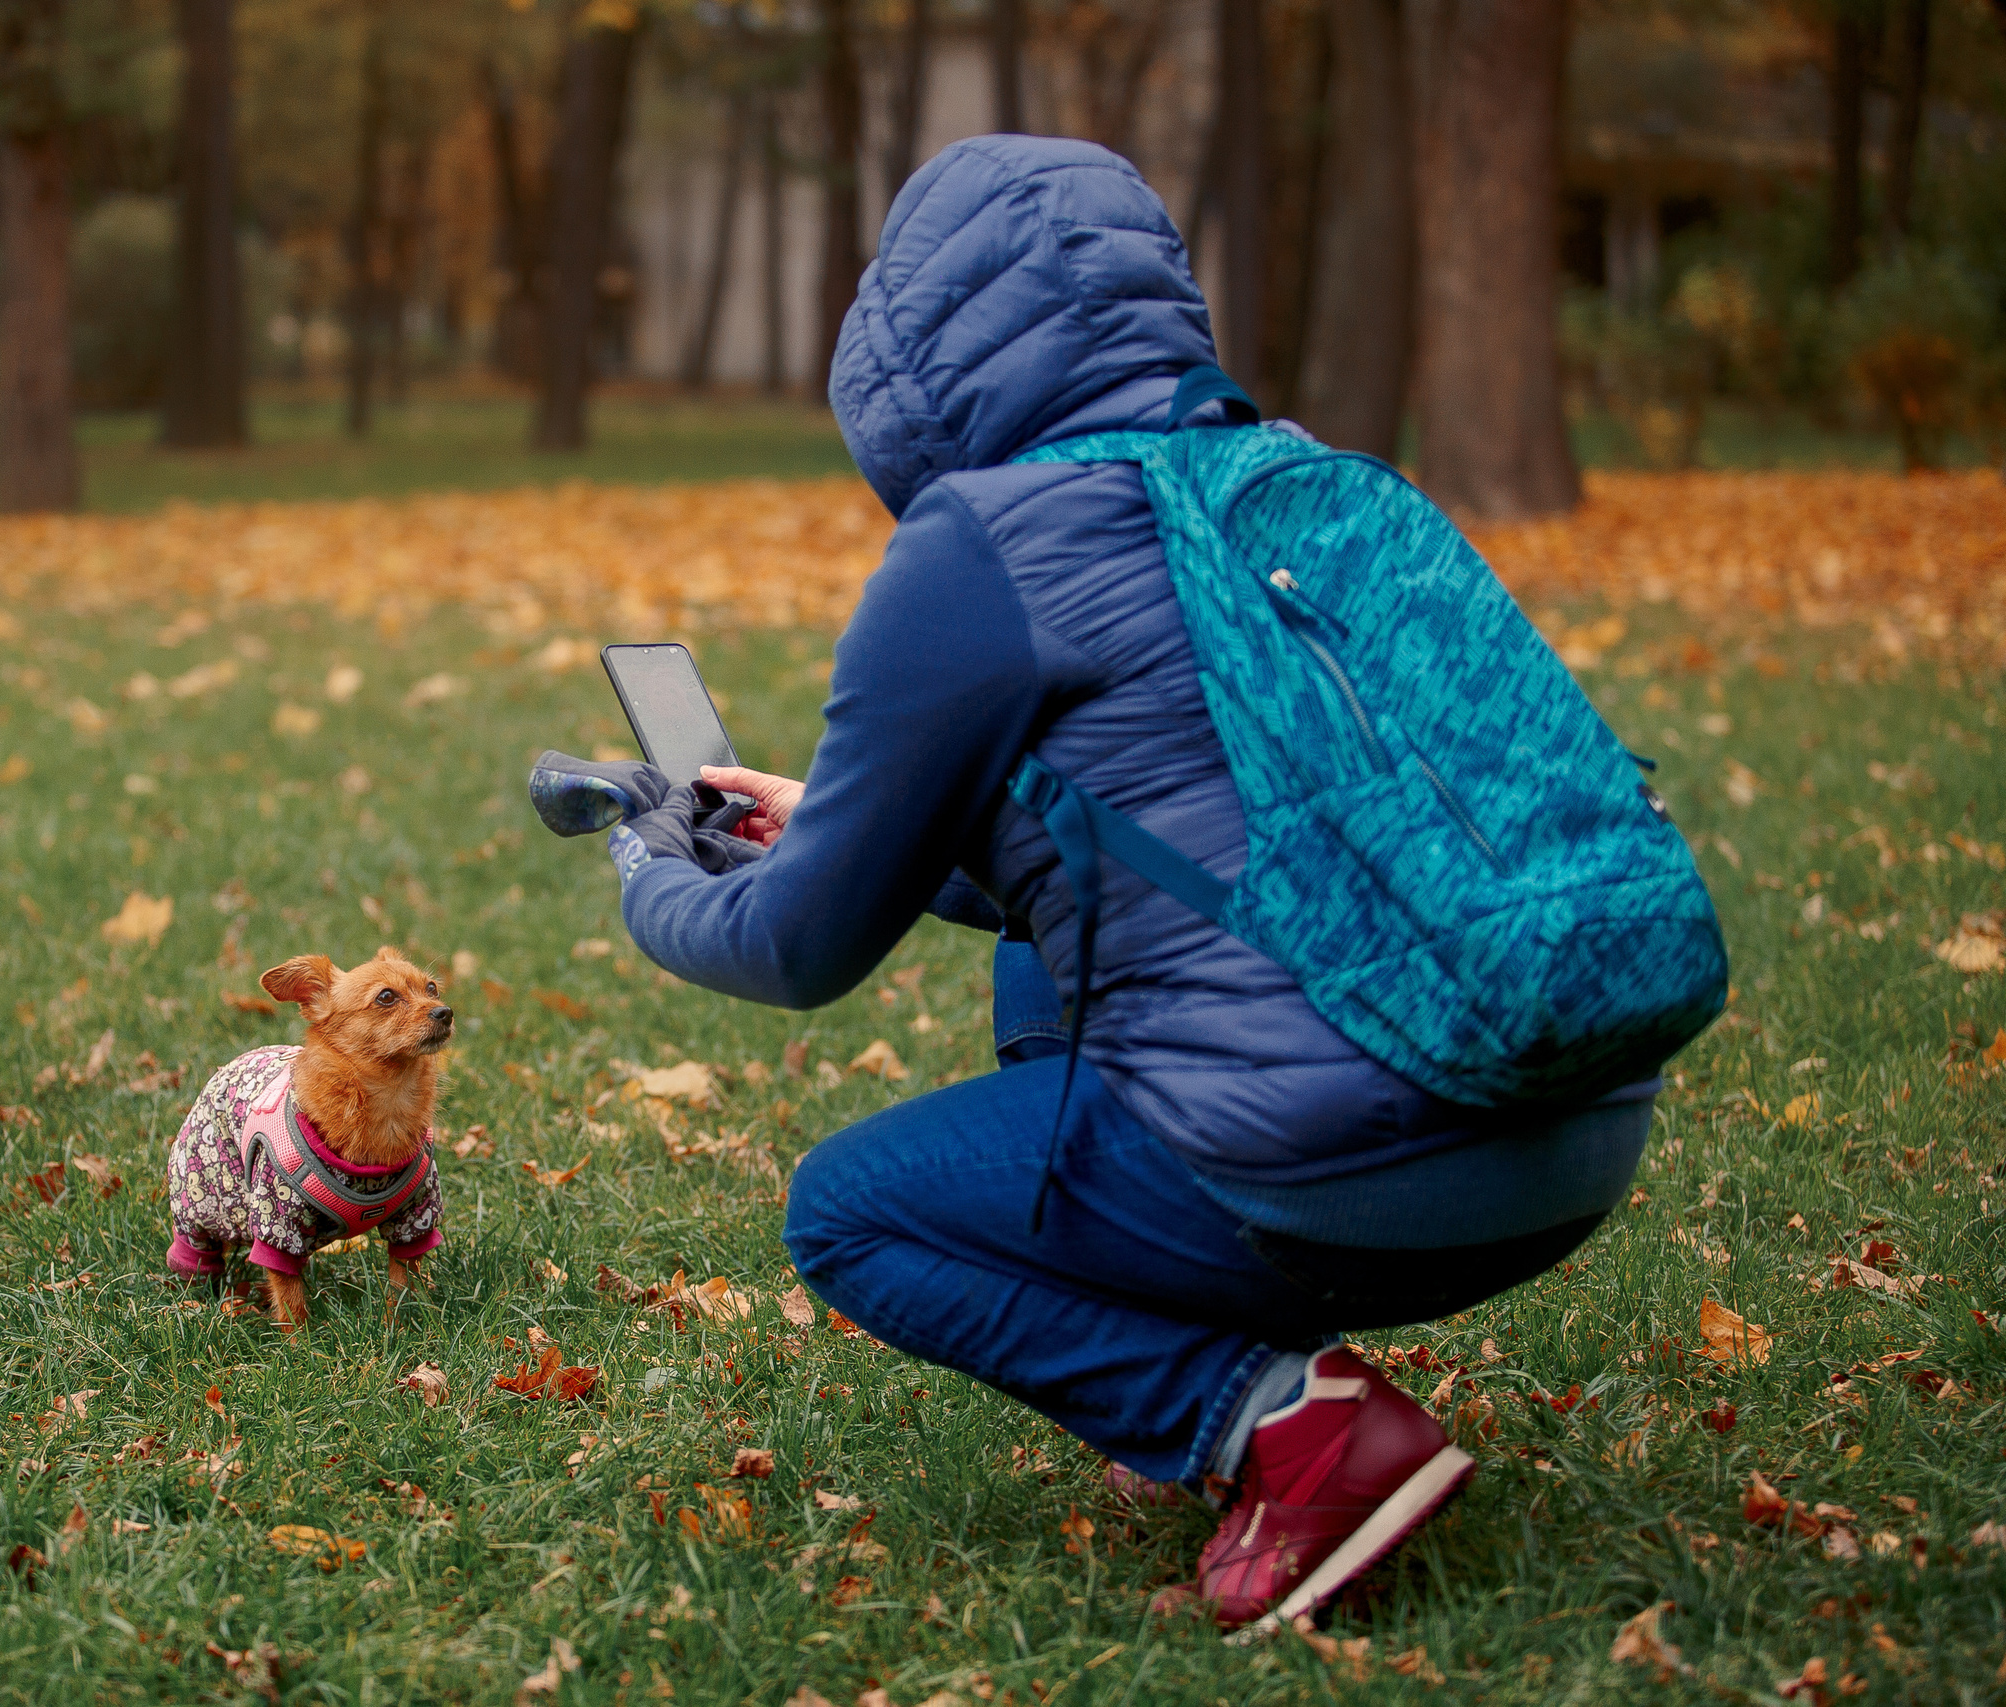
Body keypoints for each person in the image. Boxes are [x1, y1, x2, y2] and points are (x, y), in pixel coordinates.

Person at [593, 136, 1663, 1632]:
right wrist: (836, 818)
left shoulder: (980, 546)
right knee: (1040, 950)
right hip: (1566, 1140)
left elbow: (794, 948)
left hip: (1348, 1180)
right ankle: (1224, 1386)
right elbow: (1189, 844)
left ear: (909, 346)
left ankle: (1275, 1424)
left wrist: (651, 863)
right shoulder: (1312, 484)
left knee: (850, 1214)